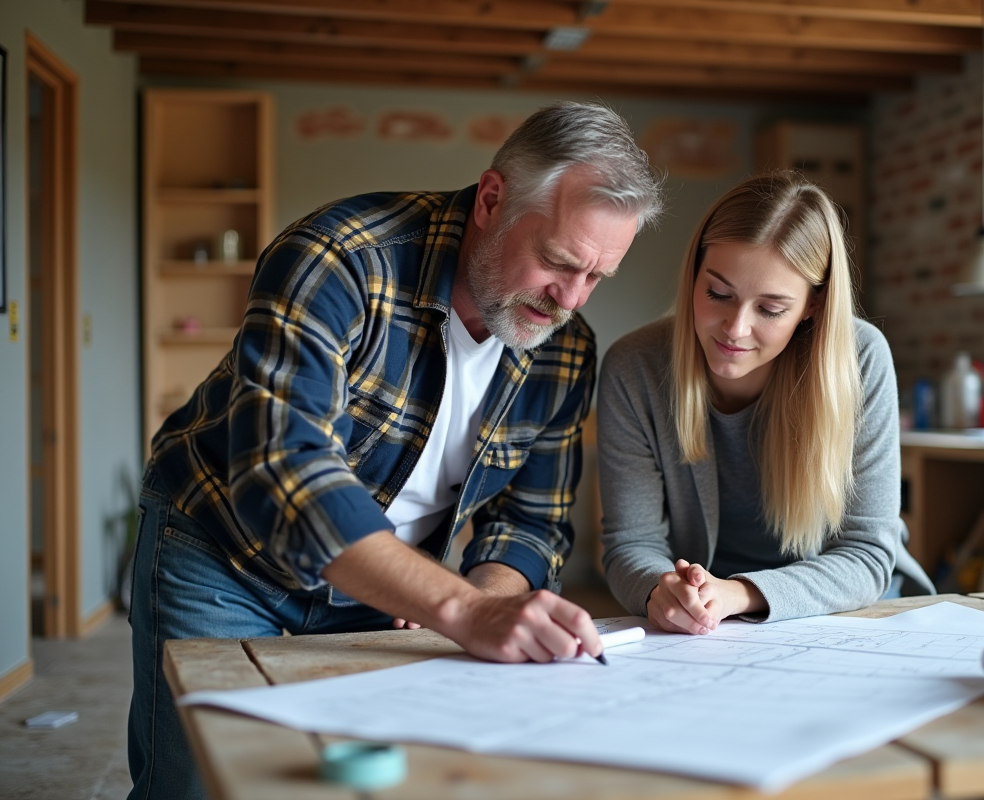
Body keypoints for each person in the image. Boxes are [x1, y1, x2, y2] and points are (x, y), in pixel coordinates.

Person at [127, 101, 664, 800]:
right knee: (201, 782)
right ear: (491, 199)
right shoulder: (340, 257)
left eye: (596, 277)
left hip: (386, 586)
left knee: (362, 778)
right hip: (223, 550)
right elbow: (289, 474)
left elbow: (530, 521)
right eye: (558, 262)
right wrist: (461, 610)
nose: (570, 298)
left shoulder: (565, 345)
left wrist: (480, 599)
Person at [597, 172, 933, 635]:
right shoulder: (634, 367)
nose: (735, 328)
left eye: (771, 309)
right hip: (710, 623)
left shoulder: (860, 359)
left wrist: (736, 594)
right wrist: (663, 589)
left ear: (812, 305)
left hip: (850, 616)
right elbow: (630, 543)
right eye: (718, 293)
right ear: (693, 275)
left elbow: (867, 554)